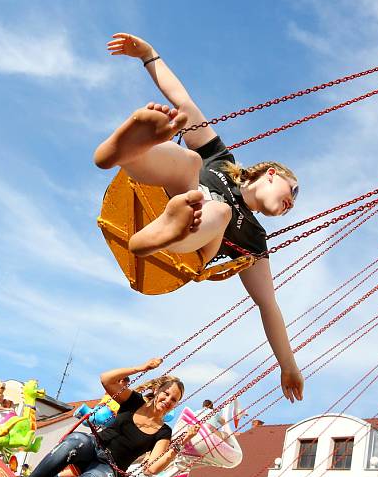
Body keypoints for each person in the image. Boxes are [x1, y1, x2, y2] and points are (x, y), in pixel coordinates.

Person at [95, 33, 304, 403]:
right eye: (292, 192)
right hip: (156, 202)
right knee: (192, 161)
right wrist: (149, 55)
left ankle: (170, 228)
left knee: (219, 210)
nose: (291, 204)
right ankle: (123, 151)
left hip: (182, 251)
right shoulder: (222, 160)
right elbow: (183, 101)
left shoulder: (255, 238)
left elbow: (269, 306)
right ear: (270, 172)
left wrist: (287, 364)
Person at [0, 358, 199, 477]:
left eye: (174, 400)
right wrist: (142, 367)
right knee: (76, 441)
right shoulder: (133, 401)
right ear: (157, 391)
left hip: (109, 469)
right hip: (93, 446)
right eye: (166, 394)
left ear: (175, 405)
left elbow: (153, 467)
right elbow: (106, 379)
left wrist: (178, 446)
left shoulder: (163, 432)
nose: (167, 400)